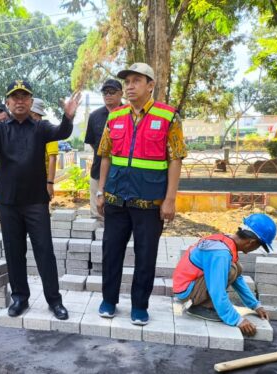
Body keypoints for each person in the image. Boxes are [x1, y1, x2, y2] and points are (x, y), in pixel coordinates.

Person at [0, 80, 81, 320]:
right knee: (14, 251)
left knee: (45, 251)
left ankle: (54, 300)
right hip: (8, 201)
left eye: (24, 97)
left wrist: (68, 117)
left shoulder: (40, 127)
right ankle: (20, 297)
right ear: (8, 102)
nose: (20, 101)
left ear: (31, 102)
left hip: (35, 202)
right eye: (15, 97)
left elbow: (61, 132)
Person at [96, 63, 187, 325]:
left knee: (145, 256)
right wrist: (101, 191)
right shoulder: (114, 116)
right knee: (111, 252)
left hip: (150, 202)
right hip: (115, 199)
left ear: (150, 85)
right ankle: (109, 300)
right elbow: (105, 156)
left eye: (137, 80)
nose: (130, 86)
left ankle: (139, 306)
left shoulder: (169, 117)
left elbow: (176, 159)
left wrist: (170, 199)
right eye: (127, 81)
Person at [172, 214, 277, 337]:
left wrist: (255, 305)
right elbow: (217, 290)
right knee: (232, 269)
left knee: (236, 268)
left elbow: (238, 279)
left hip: (188, 285)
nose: (256, 248)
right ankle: (200, 307)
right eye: (259, 246)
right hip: (187, 293)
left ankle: (210, 303)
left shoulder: (226, 241)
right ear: (251, 243)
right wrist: (237, 320)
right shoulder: (220, 254)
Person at [85, 79, 123, 220]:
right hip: (97, 171)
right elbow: (91, 142)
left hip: (122, 174)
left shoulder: (129, 114)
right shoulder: (94, 116)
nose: (108, 95)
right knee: (97, 215)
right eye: (105, 92)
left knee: (119, 215)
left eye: (112, 92)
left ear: (121, 94)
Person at [30, 98, 59, 200]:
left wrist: (50, 183)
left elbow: (53, 158)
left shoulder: (48, 130)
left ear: (33, 113)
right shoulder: (28, 129)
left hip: (42, 180)